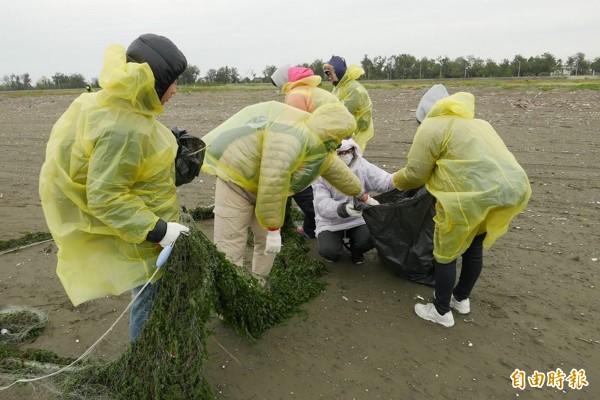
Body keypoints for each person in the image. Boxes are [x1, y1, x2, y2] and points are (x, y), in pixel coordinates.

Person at [39, 33, 190, 341]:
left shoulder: (121, 107)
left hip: (150, 222)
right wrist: (160, 230)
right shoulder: (125, 128)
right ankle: (145, 369)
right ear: (151, 83)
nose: (175, 90)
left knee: (155, 302)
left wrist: (170, 151)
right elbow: (106, 195)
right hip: (147, 235)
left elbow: (129, 166)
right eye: (172, 82)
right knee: (148, 305)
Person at [392, 84, 532, 327]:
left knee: (445, 253)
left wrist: (393, 181)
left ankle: (441, 311)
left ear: (424, 113)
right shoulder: (478, 123)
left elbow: (416, 173)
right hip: (507, 189)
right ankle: (461, 299)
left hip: (467, 197)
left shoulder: (432, 126)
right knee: (473, 247)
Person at [201, 101, 376, 282]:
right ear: (332, 130)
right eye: (341, 135)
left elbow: (337, 172)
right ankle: (231, 290)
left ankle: (259, 284)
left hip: (265, 192)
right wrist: (274, 227)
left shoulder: (320, 145)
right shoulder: (290, 140)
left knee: (266, 244)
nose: (341, 141)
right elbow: (273, 179)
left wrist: (362, 195)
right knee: (230, 242)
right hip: (235, 181)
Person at [270, 64, 340, 239]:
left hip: (315, 145)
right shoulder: (309, 89)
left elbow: (295, 127)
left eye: (279, 85)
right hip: (332, 139)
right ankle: (312, 226)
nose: (279, 89)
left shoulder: (295, 94)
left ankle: (318, 224)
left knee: (301, 186)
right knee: (320, 183)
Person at [313, 138, 394, 264]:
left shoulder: (362, 166)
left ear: (353, 150)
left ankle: (357, 250)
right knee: (330, 251)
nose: (344, 156)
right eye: (339, 153)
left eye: (347, 152)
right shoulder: (321, 174)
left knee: (372, 236)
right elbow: (322, 205)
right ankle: (333, 247)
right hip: (331, 221)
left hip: (358, 217)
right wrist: (342, 209)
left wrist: (404, 177)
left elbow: (384, 181)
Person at [323, 55, 374, 151]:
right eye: (327, 75)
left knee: (351, 158)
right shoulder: (338, 87)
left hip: (356, 130)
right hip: (346, 129)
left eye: (330, 74)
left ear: (337, 71)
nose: (329, 78)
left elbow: (343, 111)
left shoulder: (354, 88)